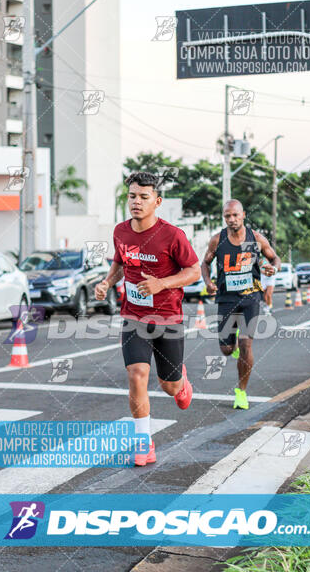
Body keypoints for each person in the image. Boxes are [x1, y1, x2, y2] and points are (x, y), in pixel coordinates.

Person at [95, 172, 200, 466]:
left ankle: (181, 383)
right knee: (136, 374)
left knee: (169, 387)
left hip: (168, 319)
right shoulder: (120, 232)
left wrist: (162, 284)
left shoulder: (173, 235)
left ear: (157, 201)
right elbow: (119, 262)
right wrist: (106, 283)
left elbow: (194, 272)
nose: (136, 202)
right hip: (133, 317)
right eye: (132, 196)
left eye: (143, 197)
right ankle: (144, 442)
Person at [201, 199, 280, 411]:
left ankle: (241, 392)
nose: (232, 219)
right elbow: (205, 263)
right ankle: (232, 347)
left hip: (251, 298)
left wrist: (274, 268)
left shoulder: (256, 239)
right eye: (227, 216)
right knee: (227, 349)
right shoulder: (218, 240)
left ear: (243, 215)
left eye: (235, 215)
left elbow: (274, 258)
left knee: (246, 345)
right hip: (226, 299)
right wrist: (208, 282)